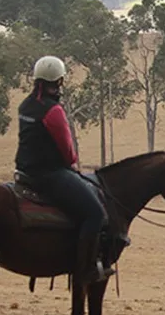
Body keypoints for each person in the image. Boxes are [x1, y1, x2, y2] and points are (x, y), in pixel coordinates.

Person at [15, 56, 114, 284]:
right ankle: (87, 268)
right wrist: (73, 163)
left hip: (25, 173)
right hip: (49, 176)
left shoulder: (25, 105)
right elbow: (68, 152)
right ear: (59, 81)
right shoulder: (54, 111)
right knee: (95, 214)